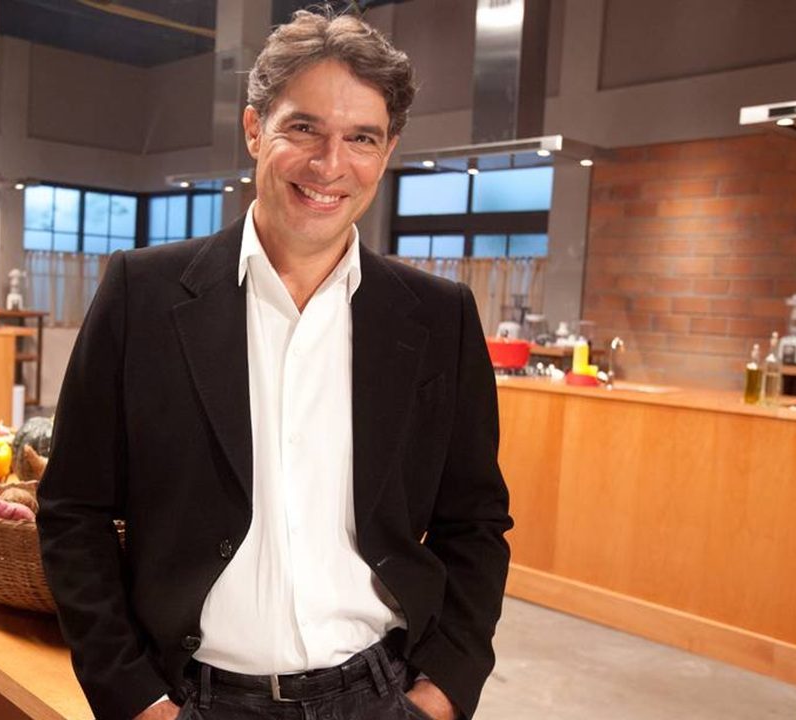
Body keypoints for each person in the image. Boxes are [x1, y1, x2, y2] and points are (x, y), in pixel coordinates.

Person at [37, 9, 512, 720]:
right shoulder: (142, 293)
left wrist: (442, 692)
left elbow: (474, 521)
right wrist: (135, 698)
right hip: (194, 698)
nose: (329, 165)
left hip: (380, 695)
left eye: (360, 138)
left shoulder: (437, 317)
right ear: (255, 128)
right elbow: (74, 511)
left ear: (386, 152)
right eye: (304, 128)